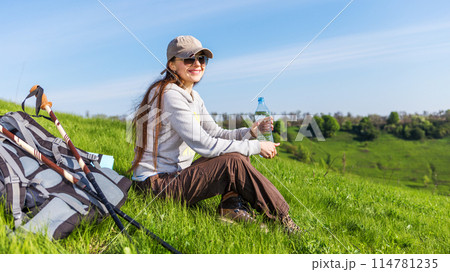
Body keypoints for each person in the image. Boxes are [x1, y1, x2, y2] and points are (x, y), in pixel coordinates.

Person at [130, 35, 300, 233]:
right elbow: (204, 144)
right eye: (188, 59)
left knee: (237, 154)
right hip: (155, 186)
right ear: (172, 65)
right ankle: (284, 221)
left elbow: (216, 133)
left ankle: (231, 207)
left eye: (202, 59)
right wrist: (256, 147)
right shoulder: (169, 95)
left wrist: (250, 133)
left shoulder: (193, 96)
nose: (197, 64)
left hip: (175, 176)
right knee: (233, 162)